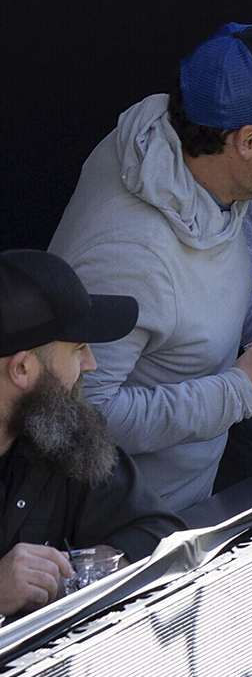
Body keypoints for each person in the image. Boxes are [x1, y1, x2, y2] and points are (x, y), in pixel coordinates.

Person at [48, 24, 252, 516]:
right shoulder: (130, 254)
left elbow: (205, 310)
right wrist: (239, 392)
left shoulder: (198, 170)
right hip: (124, 537)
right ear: (248, 140)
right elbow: (80, 414)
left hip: (183, 507)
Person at [0, 252, 184, 617]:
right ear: (22, 368)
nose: (91, 364)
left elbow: (160, 534)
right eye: (78, 348)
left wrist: (78, 572)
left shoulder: (60, 431)